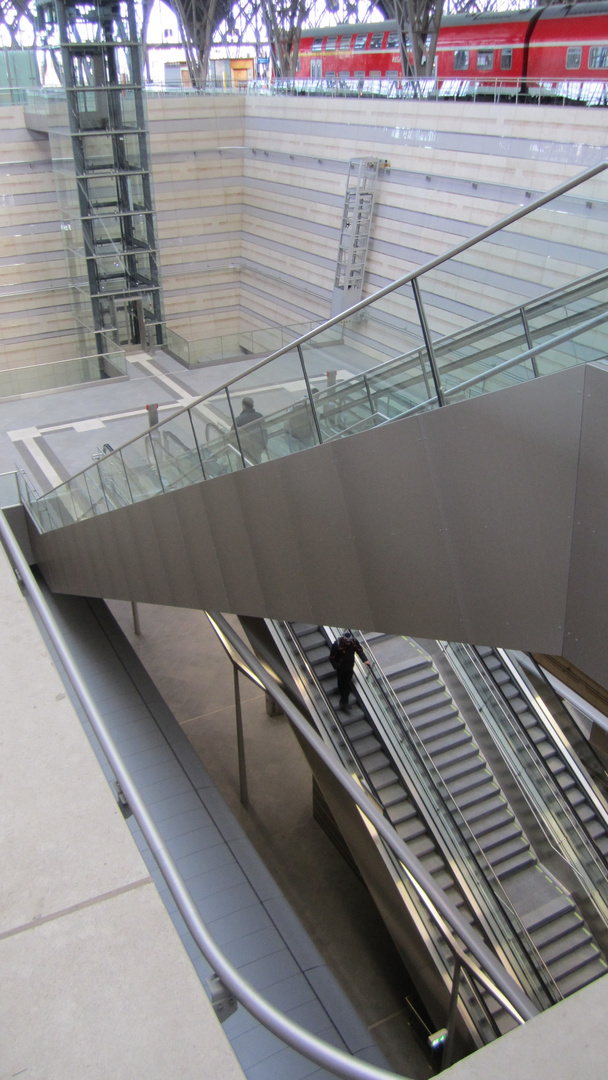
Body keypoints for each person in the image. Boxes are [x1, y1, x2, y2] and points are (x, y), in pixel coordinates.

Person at [329, 631, 370, 710]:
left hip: (349, 666)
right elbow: (332, 657)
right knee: (341, 682)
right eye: (347, 642)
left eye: (349, 642)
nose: (348, 643)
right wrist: (336, 666)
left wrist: (365, 660)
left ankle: (343, 702)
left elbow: (359, 651)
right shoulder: (337, 645)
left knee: (347, 683)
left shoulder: (353, 642)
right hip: (340, 667)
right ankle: (342, 693)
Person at [234, 396, 268, 464]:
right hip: (258, 447)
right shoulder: (259, 416)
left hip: (245, 449)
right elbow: (264, 431)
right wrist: (264, 444)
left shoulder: (238, 420)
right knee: (256, 462)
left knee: (243, 465)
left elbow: (232, 436)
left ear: (243, 406)